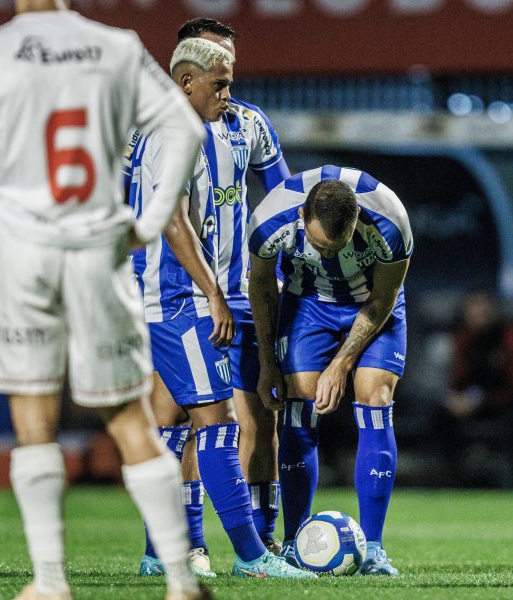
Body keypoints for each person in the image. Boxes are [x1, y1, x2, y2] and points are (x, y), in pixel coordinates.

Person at [0, 1, 210, 599]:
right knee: (129, 418)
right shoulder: (115, 47)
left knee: (32, 419)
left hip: (23, 253)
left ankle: (50, 582)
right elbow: (185, 126)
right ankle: (180, 580)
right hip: (99, 248)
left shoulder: (2, 53)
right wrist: (150, 220)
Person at [126, 36, 313, 581]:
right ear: (187, 82)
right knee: (217, 421)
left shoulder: (209, 126)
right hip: (181, 298)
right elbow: (173, 220)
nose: (229, 94)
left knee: (187, 423)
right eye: (220, 83)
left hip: (182, 297)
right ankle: (253, 557)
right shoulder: (169, 134)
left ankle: (163, 550)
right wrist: (211, 292)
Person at [247, 166, 413, 576]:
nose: (328, 254)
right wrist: (268, 362)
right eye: (320, 246)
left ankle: (373, 549)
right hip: (307, 304)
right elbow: (264, 288)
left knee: (376, 398)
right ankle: (293, 542)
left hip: (373, 305)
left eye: (336, 246)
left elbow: (384, 298)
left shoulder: (391, 220)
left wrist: (341, 364)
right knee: (299, 406)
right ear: (301, 217)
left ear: (357, 221)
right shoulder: (269, 220)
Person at [436, 290, 513, 486]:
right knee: (440, 417)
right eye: (473, 313)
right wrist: (456, 399)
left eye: (484, 312)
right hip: (473, 402)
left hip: (505, 401)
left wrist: (482, 399)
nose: (479, 317)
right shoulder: (464, 338)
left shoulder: (511, 336)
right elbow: (457, 377)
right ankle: (453, 480)